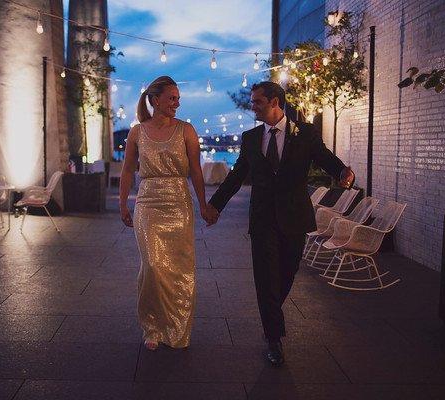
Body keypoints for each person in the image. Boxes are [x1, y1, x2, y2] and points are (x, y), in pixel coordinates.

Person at [206, 81, 355, 366]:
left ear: (275, 102)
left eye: (257, 101)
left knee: (287, 272)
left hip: (295, 217)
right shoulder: (251, 138)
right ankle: (274, 338)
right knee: (265, 278)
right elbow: (237, 175)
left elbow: (325, 159)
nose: (253, 106)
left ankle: (271, 314)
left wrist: (342, 171)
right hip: (262, 218)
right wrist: (215, 205)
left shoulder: (305, 133)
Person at [118, 76, 212, 350]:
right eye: (172, 98)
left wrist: (203, 205)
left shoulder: (187, 130)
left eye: (178, 98)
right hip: (147, 204)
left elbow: (196, 171)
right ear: (155, 99)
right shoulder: (137, 132)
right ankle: (153, 326)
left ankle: (176, 327)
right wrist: (123, 205)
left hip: (179, 204)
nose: (177, 103)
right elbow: (127, 171)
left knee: (180, 269)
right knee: (153, 267)